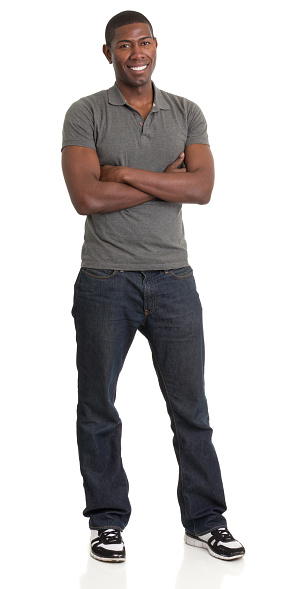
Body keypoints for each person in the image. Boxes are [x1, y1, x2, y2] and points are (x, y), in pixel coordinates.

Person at [61, 10, 245, 563]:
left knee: (191, 408)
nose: (136, 52)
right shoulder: (85, 113)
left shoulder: (186, 112)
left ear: (156, 46)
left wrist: (122, 173)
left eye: (144, 42)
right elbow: (86, 200)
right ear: (108, 52)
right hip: (103, 282)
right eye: (124, 45)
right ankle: (107, 523)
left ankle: (205, 521)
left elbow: (205, 188)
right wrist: (169, 181)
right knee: (98, 408)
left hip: (174, 281)